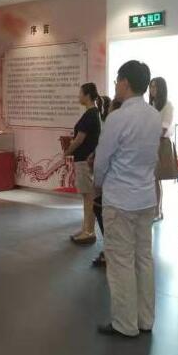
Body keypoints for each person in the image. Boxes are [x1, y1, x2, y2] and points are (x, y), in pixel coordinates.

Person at [93, 61, 162, 337]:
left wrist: (98, 184)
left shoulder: (117, 118)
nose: (115, 86)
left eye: (117, 81)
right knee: (144, 259)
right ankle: (145, 320)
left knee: (120, 261)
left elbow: (102, 160)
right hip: (145, 197)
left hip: (120, 198)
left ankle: (124, 323)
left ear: (125, 82)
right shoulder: (154, 116)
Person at [64, 83, 102, 246]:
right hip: (85, 159)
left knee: (88, 196)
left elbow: (79, 139)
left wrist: (67, 151)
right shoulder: (92, 114)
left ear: (87, 95)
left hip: (85, 160)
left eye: (80, 93)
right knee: (87, 196)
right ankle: (86, 228)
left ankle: (89, 231)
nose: (78, 96)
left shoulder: (90, 115)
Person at [91, 97, 121, 269]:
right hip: (130, 187)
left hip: (113, 182)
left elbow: (104, 157)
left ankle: (111, 252)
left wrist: (98, 180)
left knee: (104, 212)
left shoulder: (113, 127)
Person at [149, 77, 174, 221]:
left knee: (156, 178)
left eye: (155, 87)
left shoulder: (167, 105)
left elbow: (164, 127)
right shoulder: (150, 105)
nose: (152, 90)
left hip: (160, 143)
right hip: (149, 144)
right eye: (151, 86)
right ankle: (155, 209)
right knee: (152, 179)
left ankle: (157, 211)